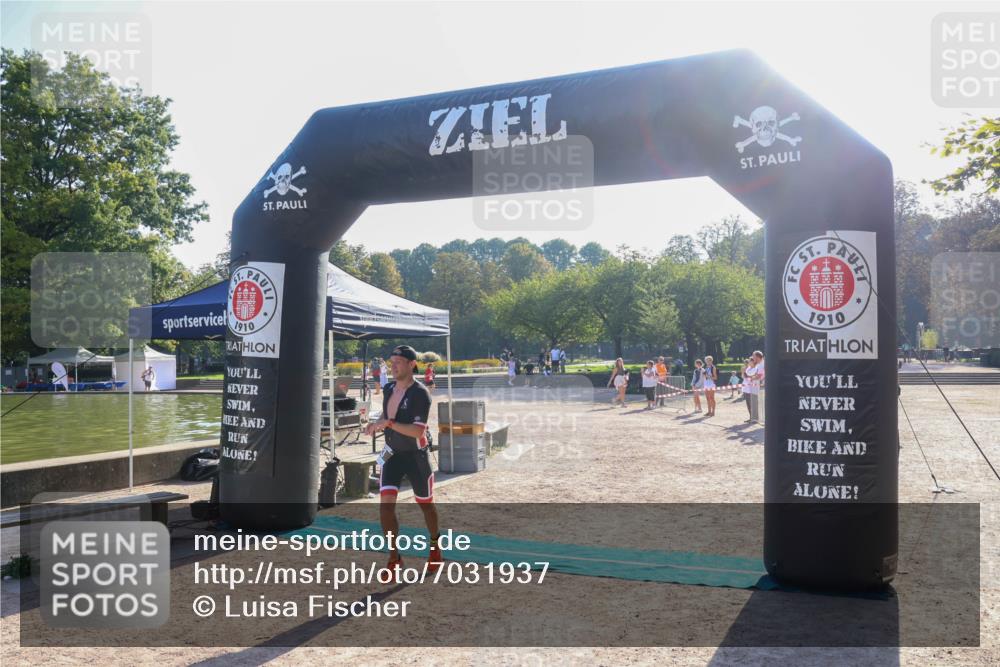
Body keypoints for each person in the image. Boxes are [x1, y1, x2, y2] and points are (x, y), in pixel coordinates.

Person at [364, 345, 441, 581]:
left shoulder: (420, 393)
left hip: (416, 456)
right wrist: (376, 423)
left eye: (398, 362)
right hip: (392, 454)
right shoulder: (388, 388)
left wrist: (388, 424)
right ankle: (394, 558)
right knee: (385, 507)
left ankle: (435, 546)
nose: (393, 366)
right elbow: (385, 415)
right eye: (392, 362)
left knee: (426, 505)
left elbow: (417, 431)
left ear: (411, 364)